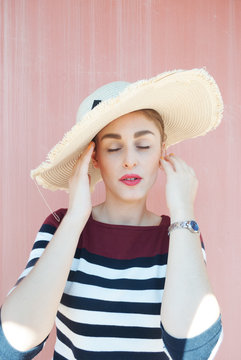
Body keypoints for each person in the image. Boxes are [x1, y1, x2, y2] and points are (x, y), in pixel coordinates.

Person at [0, 69, 223, 360]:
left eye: (143, 145)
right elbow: (11, 346)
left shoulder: (181, 233)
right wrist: (77, 217)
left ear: (162, 152)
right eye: (114, 147)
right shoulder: (61, 226)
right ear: (94, 157)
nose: (130, 160)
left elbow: (194, 349)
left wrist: (183, 211)